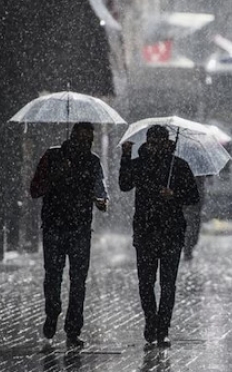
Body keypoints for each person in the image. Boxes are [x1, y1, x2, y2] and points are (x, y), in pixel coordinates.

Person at [29, 122, 109, 349]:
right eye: (82, 139)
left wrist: (102, 202)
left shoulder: (92, 162)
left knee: (78, 281)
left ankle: (73, 330)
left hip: (80, 229)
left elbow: (101, 192)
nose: (85, 144)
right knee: (53, 276)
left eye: (89, 141)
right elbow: (35, 190)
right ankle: (52, 313)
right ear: (72, 137)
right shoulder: (52, 157)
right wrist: (56, 174)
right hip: (54, 227)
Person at [119, 125, 200, 347]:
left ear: (167, 143)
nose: (155, 147)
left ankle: (163, 328)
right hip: (145, 231)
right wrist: (125, 157)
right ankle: (151, 321)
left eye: (160, 143)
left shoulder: (179, 166)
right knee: (146, 282)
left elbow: (193, 196)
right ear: (147, 142)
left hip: (171, 232)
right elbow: (124, 185)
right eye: (152, 143)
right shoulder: (139, 164)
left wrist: (173, 194)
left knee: (167, 284)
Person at [183, 176, 206, 260]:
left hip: (193, 202)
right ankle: (188, 246)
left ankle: (188, 245)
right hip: (192, 201)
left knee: (192, 224)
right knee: (192, 225)